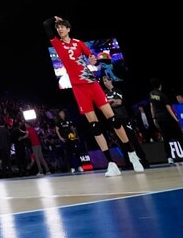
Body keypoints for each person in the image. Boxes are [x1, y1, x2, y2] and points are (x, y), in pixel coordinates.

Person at [44, 17, 144, 177]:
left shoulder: (79, 43)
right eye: (58, 28)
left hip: (92, 84)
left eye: (62, 27)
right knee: (94, 125)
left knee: (113, 119)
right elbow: (45, 25)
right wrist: (54, 19)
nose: (60, 29)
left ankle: (132, 155)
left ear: (68, 29)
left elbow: (94, 60)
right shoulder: (57, 44)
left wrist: (93, 60)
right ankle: (111, 164)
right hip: (78, 88)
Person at [100, 73, 149, 169]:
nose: (105, 83)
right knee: (121, 142)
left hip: (124, 118)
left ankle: (143, 160)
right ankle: (128, 163)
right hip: (114, 119)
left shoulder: (117, 90)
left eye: (106, 80)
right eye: (103, 81)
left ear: (110, 80)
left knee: (132, 139)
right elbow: (105, 105)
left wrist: (111, 102)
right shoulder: (104, 93)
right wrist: (112, 102)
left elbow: (119, 102)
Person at [149, 78, 183, 165]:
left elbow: (151, 107)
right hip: (168, 119)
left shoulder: (151, 94)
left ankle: (169, 158)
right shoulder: (163, 95)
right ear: (160, 85)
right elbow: (168, 108)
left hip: (159, 119)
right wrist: (176, 119)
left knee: (166, 139)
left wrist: (154, 118)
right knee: (180, 138)